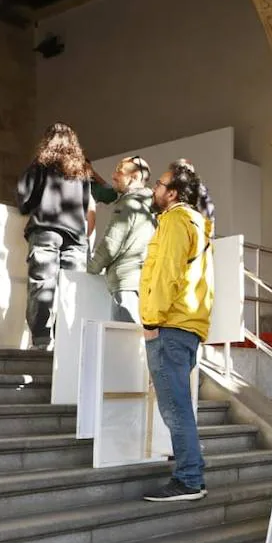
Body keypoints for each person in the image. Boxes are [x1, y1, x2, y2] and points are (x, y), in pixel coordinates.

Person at [140, 162, 216, 502]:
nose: (154, 189)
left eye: (159, 184)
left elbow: (165, 273)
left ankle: (188, 477)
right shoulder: (198, 224)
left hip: (169, 325)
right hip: (188, 325)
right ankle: (192, 470)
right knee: (179, 405)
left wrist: (151, 321)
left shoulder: (174, 221)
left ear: (171, 193)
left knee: (175, 408)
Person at [17, 123, 98, 349]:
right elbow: (84, 207)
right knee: (71, 290)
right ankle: (66, 342)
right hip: (75, 236)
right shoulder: (81, 169)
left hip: (46, 230)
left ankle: (41, 340)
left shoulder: (39, 165)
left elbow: (24, 199)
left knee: (42, 284)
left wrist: (35, 206)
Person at [87, 156, 155, 324]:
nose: (113, 175)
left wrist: (91, 267)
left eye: (119, 171)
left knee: (124, 340)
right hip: (146, 283)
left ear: (135, 177)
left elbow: (112, 242)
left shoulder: (128, 204)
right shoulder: (153, 206)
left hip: (126, 282)